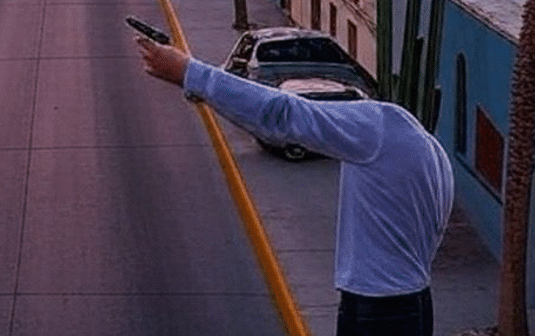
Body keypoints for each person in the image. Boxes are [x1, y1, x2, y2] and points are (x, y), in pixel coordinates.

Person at [134, 35, 454, 336]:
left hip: (379, 310)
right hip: (410, 303)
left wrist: (189, 73)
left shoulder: (382, 125)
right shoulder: (430, 155)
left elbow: (283, 115)